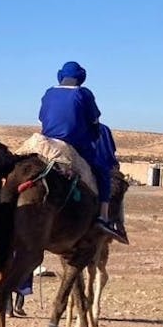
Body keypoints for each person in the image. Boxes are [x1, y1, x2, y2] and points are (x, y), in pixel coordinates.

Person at [38, 62, 125, 241]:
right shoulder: (83, 94)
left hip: (47, 143)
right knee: (102, 172)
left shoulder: (49, 93)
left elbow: (41, 118)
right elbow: (94, 121)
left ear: (60, 76)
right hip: (74, 144)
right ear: (81, 77)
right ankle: (103, 216)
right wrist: (92, 136)